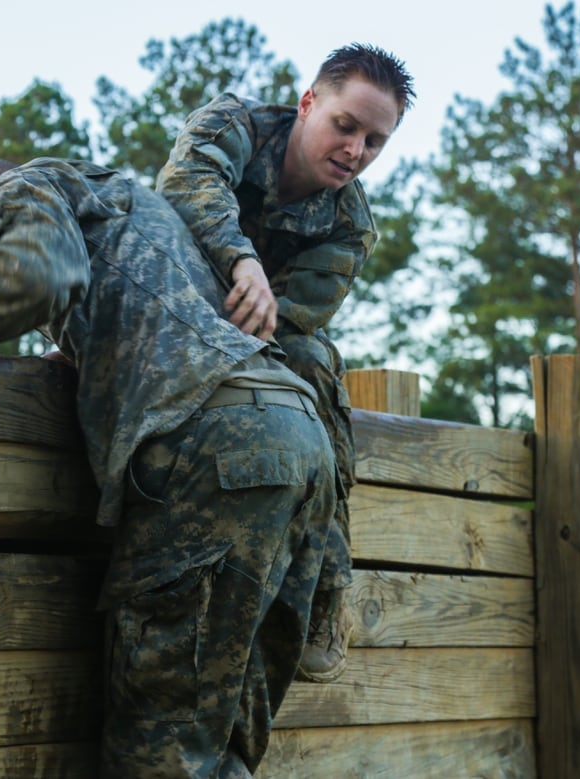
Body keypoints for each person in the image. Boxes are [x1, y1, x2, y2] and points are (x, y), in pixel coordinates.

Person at [0, 156, 337, 777]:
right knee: (222, 748)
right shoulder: (138, 212)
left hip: (218, 449)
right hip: (300, 440)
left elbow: (34, 280)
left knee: (161, 752)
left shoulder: (21, 185)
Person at [156, 43, 415, 683]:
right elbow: (183, 183)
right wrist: (242, 261)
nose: (356, 151)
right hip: (158, 309)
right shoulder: (234, 125)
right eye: (345, 126)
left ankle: (327, 584)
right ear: (308, 104)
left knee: (313, 361)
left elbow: (292, 323)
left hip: (250, 356)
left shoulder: (349, 225)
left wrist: (251, 311)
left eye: (376, 142)